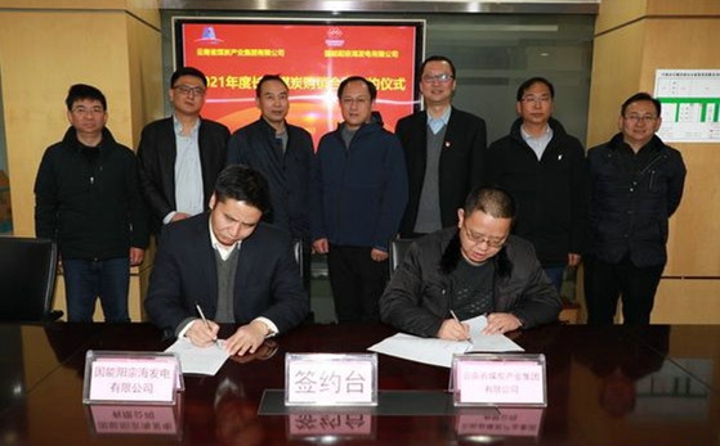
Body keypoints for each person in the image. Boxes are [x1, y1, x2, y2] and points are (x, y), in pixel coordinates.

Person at [145, 164, 309, 356]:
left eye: (248, 225)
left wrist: (260, 327)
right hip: (195, 349)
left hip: (253, 351)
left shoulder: (275, 242)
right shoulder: (177, 237)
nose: (235, 231)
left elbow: (295, 300)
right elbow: (158, 300)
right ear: (213, 201)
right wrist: (188, 325)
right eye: (229, 219)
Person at [380, 186, 561, 339]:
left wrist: (517, 318)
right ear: (461, 218)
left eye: (496, 241)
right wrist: (436, 326)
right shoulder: (426, 250)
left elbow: (549, 300)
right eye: (475, 236)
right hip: (438, 347)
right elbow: (392, 303)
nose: (483, 247)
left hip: (494, 349)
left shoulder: (521, 253)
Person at [34, 84, 149, 322]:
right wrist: (50, 249)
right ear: (70, 115)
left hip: (116, 252)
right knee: (78, 319)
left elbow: (138, 202)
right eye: (81, 109)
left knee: (119, 318)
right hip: (74, 254)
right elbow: (45, 207)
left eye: (96, 109)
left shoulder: (123, 157)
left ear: (105, 116)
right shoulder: (55, 156)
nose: (89, 116)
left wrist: (139, 242)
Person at [310, 76, 408, 323]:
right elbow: (316, 190)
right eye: (348, 100)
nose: (353, 107)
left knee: (372, 314)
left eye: (360, 100)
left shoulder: (387, 142)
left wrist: (382, 241)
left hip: (372, 247)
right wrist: (318, 232)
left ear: (372, 103)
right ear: (340, 103)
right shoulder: (328, 142)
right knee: (344, 311)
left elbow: (396, 195)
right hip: (335, 245)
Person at [585, 92, 686, 325]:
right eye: (633, 116)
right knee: (598, 321)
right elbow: (587, 201)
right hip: (602, 252)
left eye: (648, 117)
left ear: (658, 123)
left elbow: (670, 202)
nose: (640, 123)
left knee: (639, 322)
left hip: (646, 253)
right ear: (621, 121)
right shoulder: (598, 156)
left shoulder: (670, 159)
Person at [487, 77, 587, 292]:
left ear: (552, 105)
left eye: (544, 99)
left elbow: (580, 198)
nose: (537, 105)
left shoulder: (571, 147)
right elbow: (491, 201)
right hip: (510, 246)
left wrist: (576, 244)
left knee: (547, 305)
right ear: (519, 106)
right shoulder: (500, 150)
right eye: (530, 99)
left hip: (555, 247)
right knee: (507, 305)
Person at [226, 75, 313, 288]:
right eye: (270, 97)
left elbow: (312, 185)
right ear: (258, 102)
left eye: (282, 97)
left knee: (297, 293)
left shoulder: (302, 138)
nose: (277, 103)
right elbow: (232, 189)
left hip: (298, 234)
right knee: (260, 293)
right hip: (258, 233)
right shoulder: (242, 138)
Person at [395, 55, 487, 238]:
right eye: (429, 78)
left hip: (456, 227)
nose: (436, 83)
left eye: (443, 77)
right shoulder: (406, 126)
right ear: (421, 86)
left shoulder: (472, 126)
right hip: (411, 226)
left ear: (454, 84)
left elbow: (477, 180)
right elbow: (397, 179)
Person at [137, 66, 230, 233]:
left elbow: (227, 177)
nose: (191, 96)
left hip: (211, 224)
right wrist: (168, 214)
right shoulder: (154, 133)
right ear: (171, 94)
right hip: (169, 225)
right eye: (184, 89)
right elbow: (144, 179)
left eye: (198, 91)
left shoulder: (219, 134)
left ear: (204, 97)